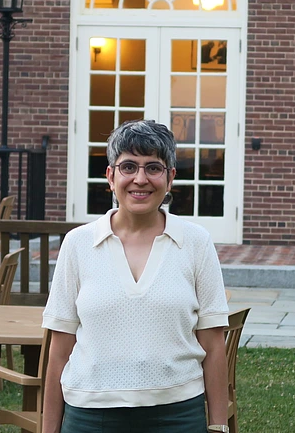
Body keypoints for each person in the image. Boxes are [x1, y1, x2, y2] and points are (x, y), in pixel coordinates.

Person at [42, 119, 230, 433]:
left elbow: (213, 344)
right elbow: (59, 349)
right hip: (90, 418)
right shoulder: (77, 244)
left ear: (170, 178)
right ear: (110, 176)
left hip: (178, 417)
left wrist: (219, 426)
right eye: (128, 166)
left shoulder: (196, 243)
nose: (140, 179)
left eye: (153, 168)